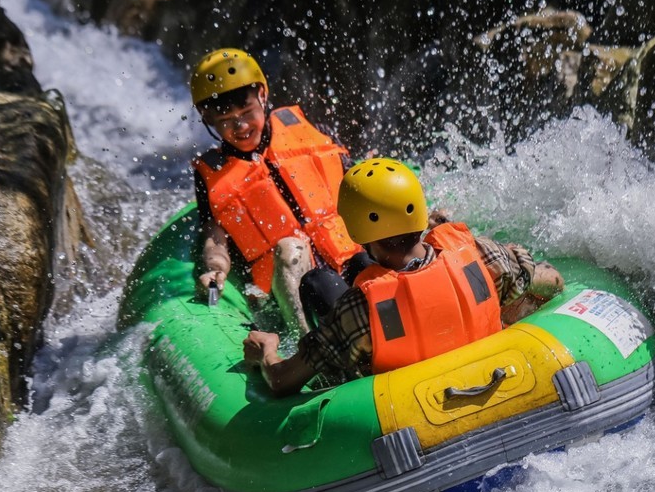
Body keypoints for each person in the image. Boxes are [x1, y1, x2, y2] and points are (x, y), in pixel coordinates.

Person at [243, 158, 566, 396]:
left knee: (317, 282)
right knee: (358, 267)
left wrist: (267, 351)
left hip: (408, 407)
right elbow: (552, 282)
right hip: (499, 379)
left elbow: (283, 380)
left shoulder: (359, 311)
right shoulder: (485, 255)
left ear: (357, 229)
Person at [189, 48, 364, 332]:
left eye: (247, 112)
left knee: (366, 263)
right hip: (295, 278)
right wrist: (216, 268)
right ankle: (308, 348)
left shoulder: (305, 130)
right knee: (292, 251)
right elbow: (215, 235)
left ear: (262, 95)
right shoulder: (210, 175)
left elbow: (357, 183)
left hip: (348, 255)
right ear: (208, 118)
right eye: (227, 120)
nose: (242, 126)